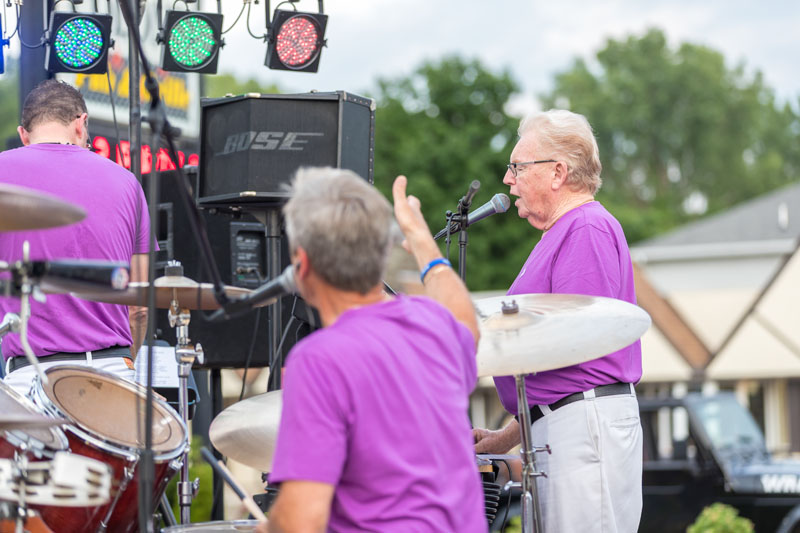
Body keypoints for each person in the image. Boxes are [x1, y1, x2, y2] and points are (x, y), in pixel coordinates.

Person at [256, 168, 487, 533]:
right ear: (381, 255)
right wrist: (422, 240)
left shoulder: (319, 360)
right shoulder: (432, 325)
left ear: (303, 266)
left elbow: (302, 521)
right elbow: (467, 324)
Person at [472, 110, 643, 532]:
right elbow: (561, 370)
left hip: (583, 427)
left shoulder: (585, 227)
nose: (508, 179)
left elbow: (577, 352)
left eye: (517, 167)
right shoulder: (565, 230)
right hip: (565, 424)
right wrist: (502, 440)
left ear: (557, 172)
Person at [0, 79, 150, 393]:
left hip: (29, 376)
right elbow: (138, 306)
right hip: (112, 374)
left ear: (23, 134)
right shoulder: (128, 184)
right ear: (81, 124)